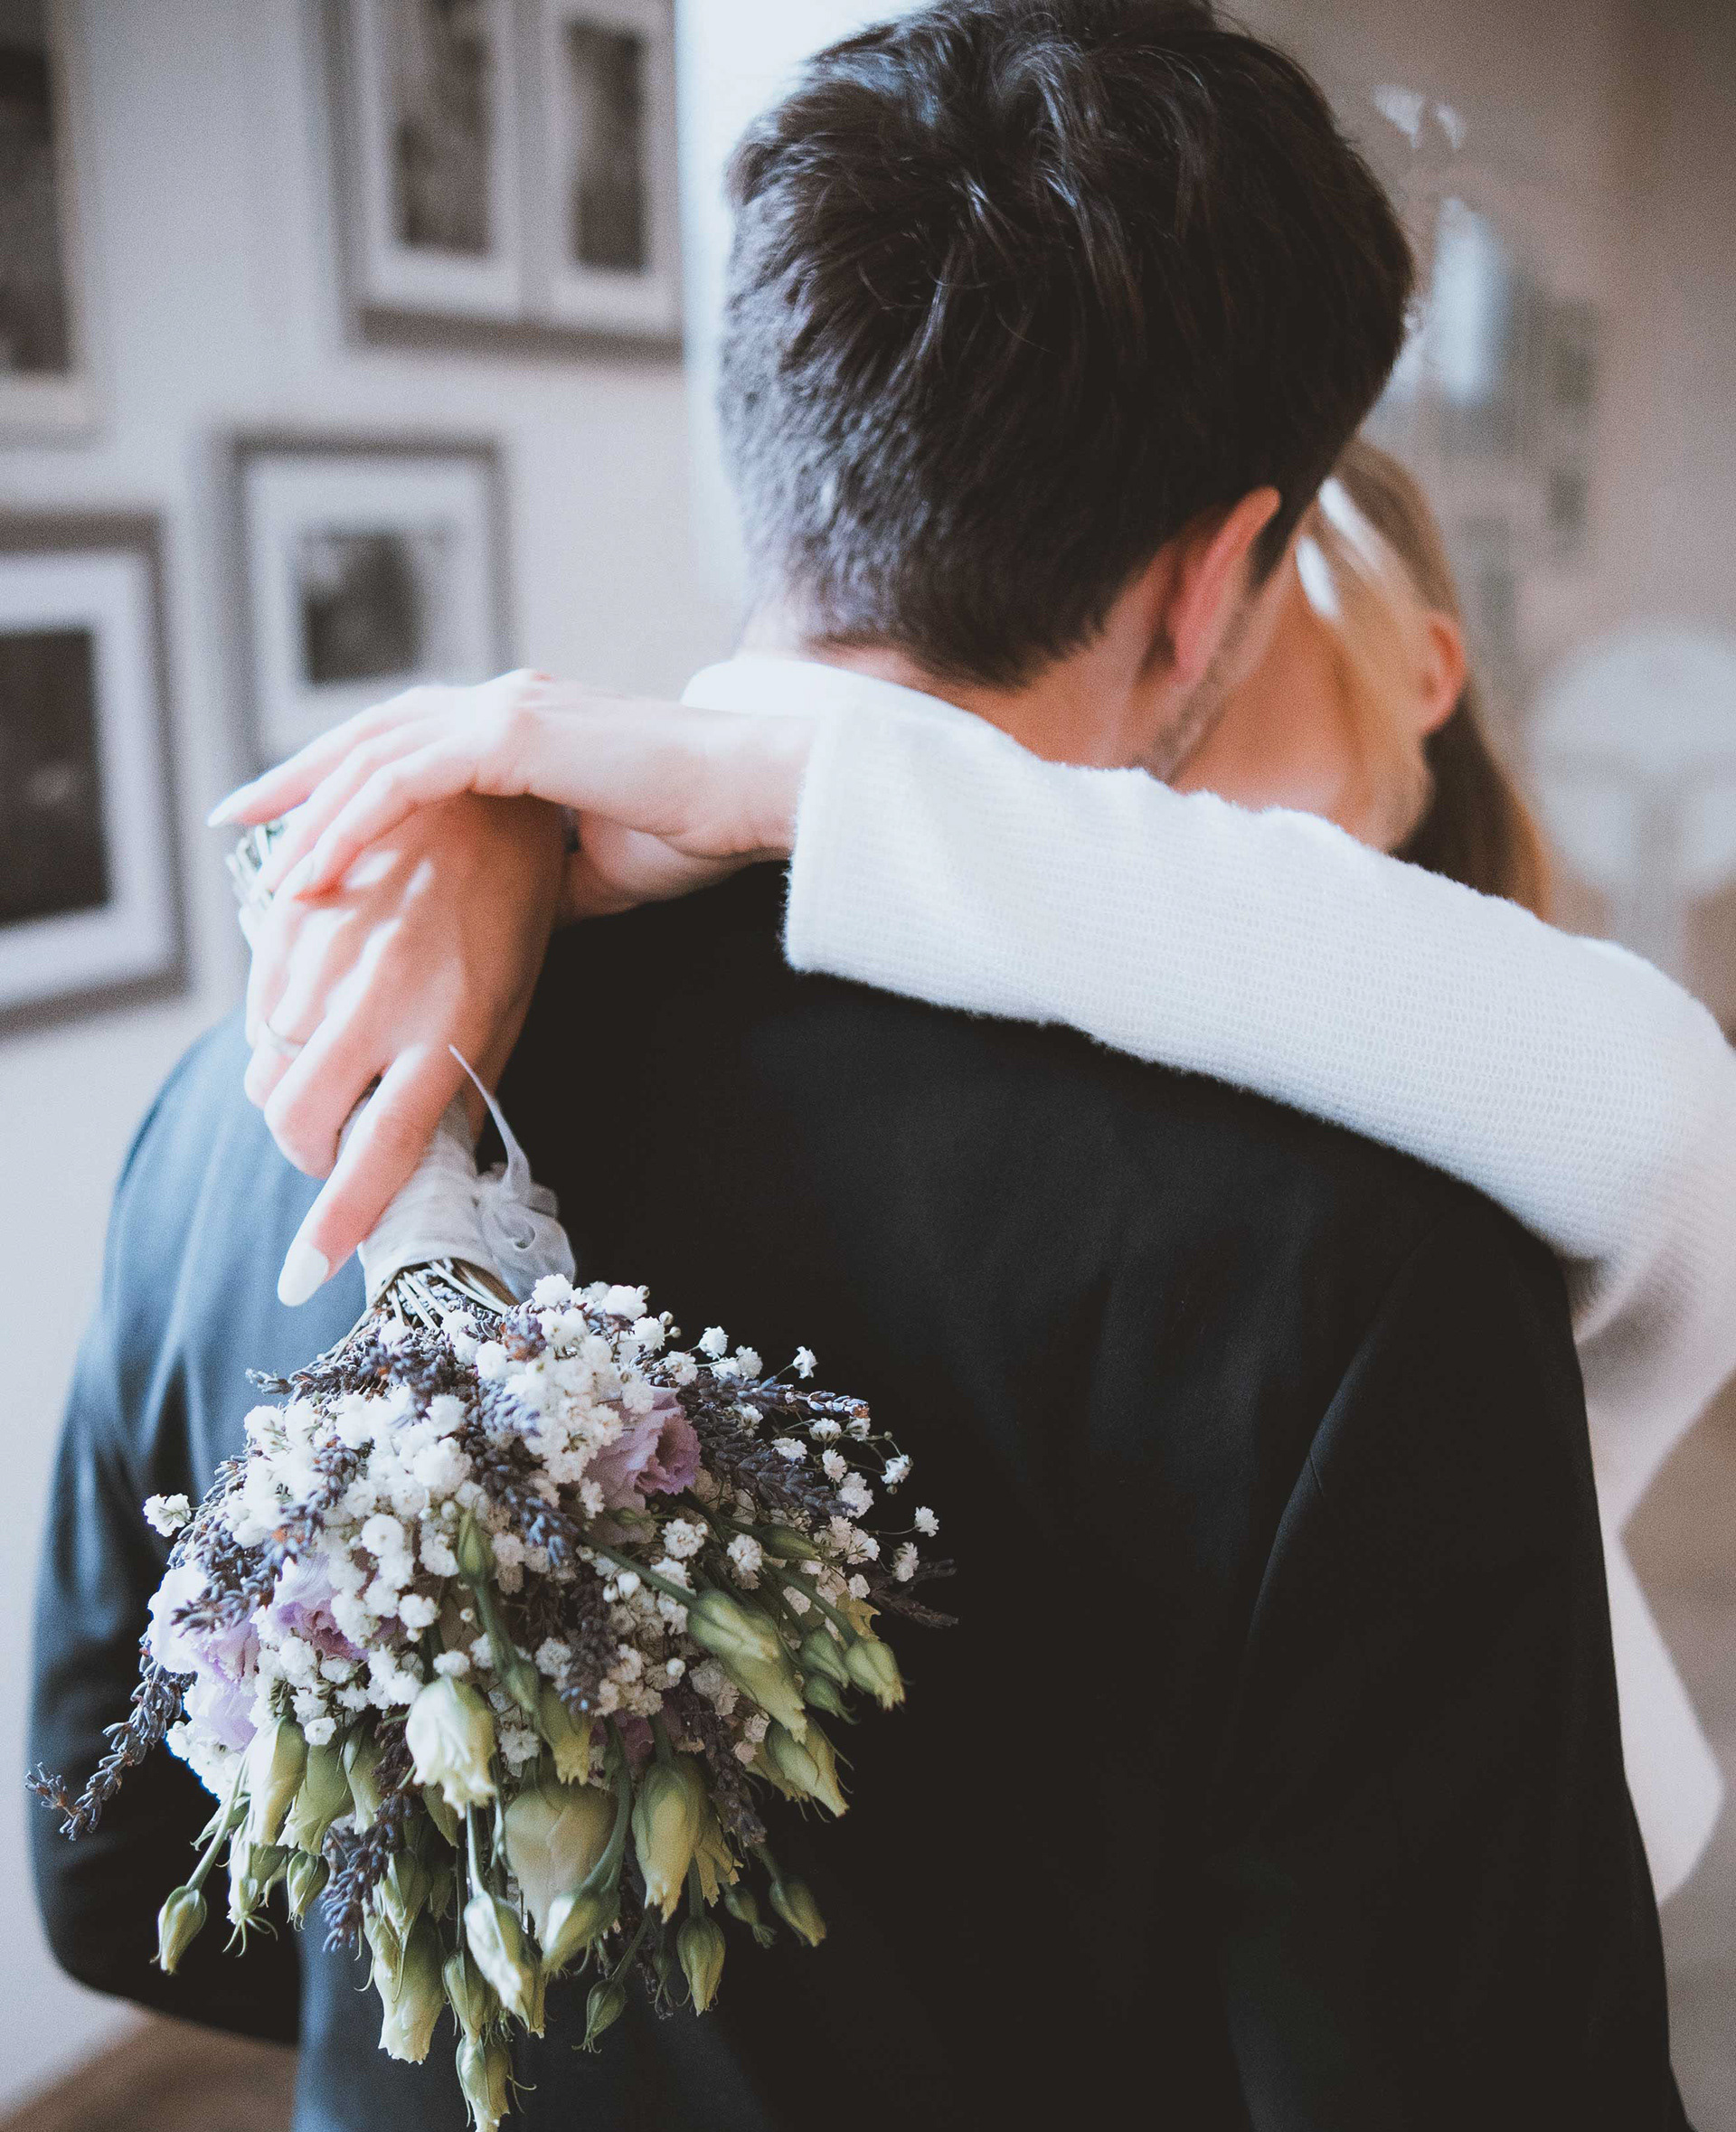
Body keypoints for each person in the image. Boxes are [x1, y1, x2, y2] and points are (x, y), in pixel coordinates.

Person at [33, 5, 1715, 2132]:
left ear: (773, 432)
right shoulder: (1362, 1266)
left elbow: (121, 1892)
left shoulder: (249, 1104)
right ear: (1223, 572)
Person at [222, 443, 1735, 1905]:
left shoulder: (1447, 1167)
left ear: (1421, 671)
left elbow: (1663, 1114)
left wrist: (815, 778)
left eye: (1222, 690)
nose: (1126, 768)